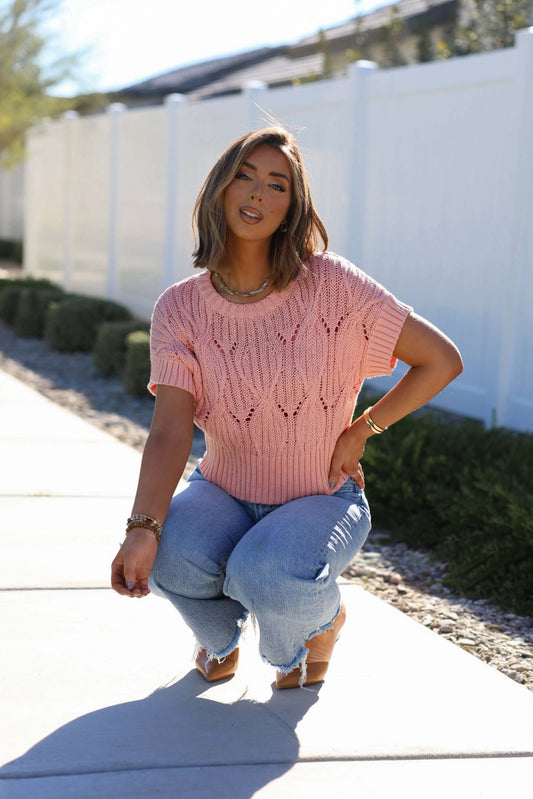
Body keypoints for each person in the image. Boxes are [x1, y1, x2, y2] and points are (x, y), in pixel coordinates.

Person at [111, 125, 463, 688]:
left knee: (267, 573)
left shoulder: (333, 285)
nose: (258, 193)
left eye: (277, 185)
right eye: (245, 177)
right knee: (169, 556)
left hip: (322, 496)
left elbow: (441, 360)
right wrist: (141, 527)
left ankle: (318, 625)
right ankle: (218, 638)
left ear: (291, 207)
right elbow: (170, 431)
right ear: (220, 188)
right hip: (222, 490)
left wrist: (362, 430)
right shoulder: (179, 308)